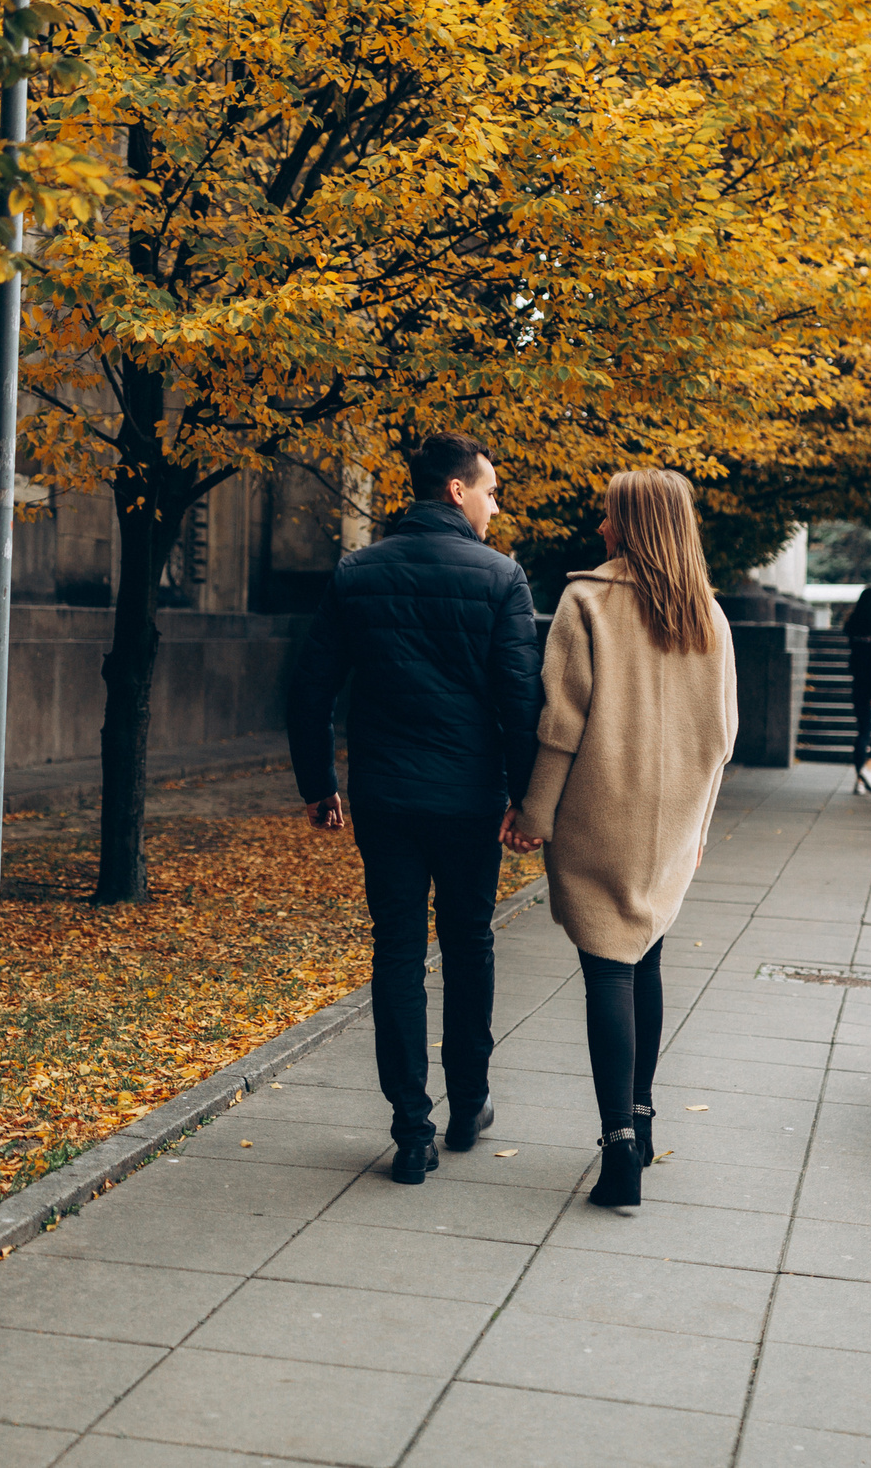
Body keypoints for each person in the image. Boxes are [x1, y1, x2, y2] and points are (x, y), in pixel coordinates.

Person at [287, 432, 543, 1186]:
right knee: (468, 945)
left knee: (396, 951)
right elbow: (520, 700)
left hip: (387, 796)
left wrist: (317, 784)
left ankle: (410, 1129)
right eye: (490, 490)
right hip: (469, 798)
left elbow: (311, 686)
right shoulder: (502, 577)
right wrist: (527, 799)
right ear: (458, 490)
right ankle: (468, 1105)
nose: (495, 505)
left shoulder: (358, 571)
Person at [512, 470, 736, 1210]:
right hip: (672, 822)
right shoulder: (708, 615)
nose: (601, 526)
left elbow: (561, 724)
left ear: (633, 524)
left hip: (599, 810)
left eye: (610, 515)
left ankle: (618, 1151)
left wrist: (534, 814)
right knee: (648, 956)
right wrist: (698, 828)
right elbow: (723, 739)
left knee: (608, 969)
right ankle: (641, 1121)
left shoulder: (586, 602)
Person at [842, 586, 871, 796]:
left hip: (859, 684)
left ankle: (859, 781)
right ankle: (869, 766)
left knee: (863, 730)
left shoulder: (854, 624)